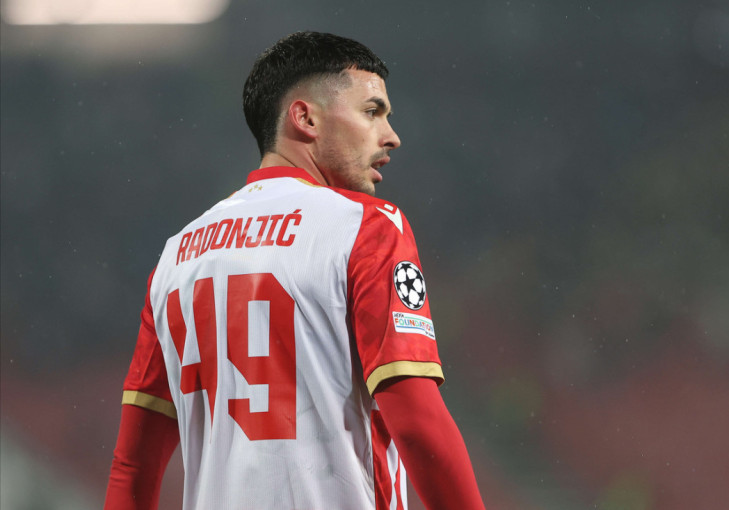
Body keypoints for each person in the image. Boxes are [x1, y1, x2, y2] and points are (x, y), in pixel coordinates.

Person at [104, 31, 485, 510]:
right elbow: (417, 423)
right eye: (372, 111)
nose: (392, 135)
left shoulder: (177, 256)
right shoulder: (366, 227)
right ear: (305, 118)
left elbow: (133, 467)